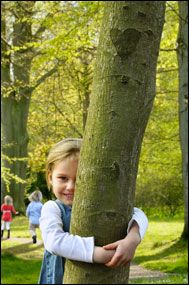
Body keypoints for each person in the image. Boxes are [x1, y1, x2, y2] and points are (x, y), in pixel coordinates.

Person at [38, 138, 148, 284]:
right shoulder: (52, 208)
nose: (70, 186)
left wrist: (133, 239)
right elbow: (53, 241)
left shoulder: (100, 205)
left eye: (79, 179)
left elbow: (138, 213)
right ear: (50, 177)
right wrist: (98, 254)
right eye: (63, 178)